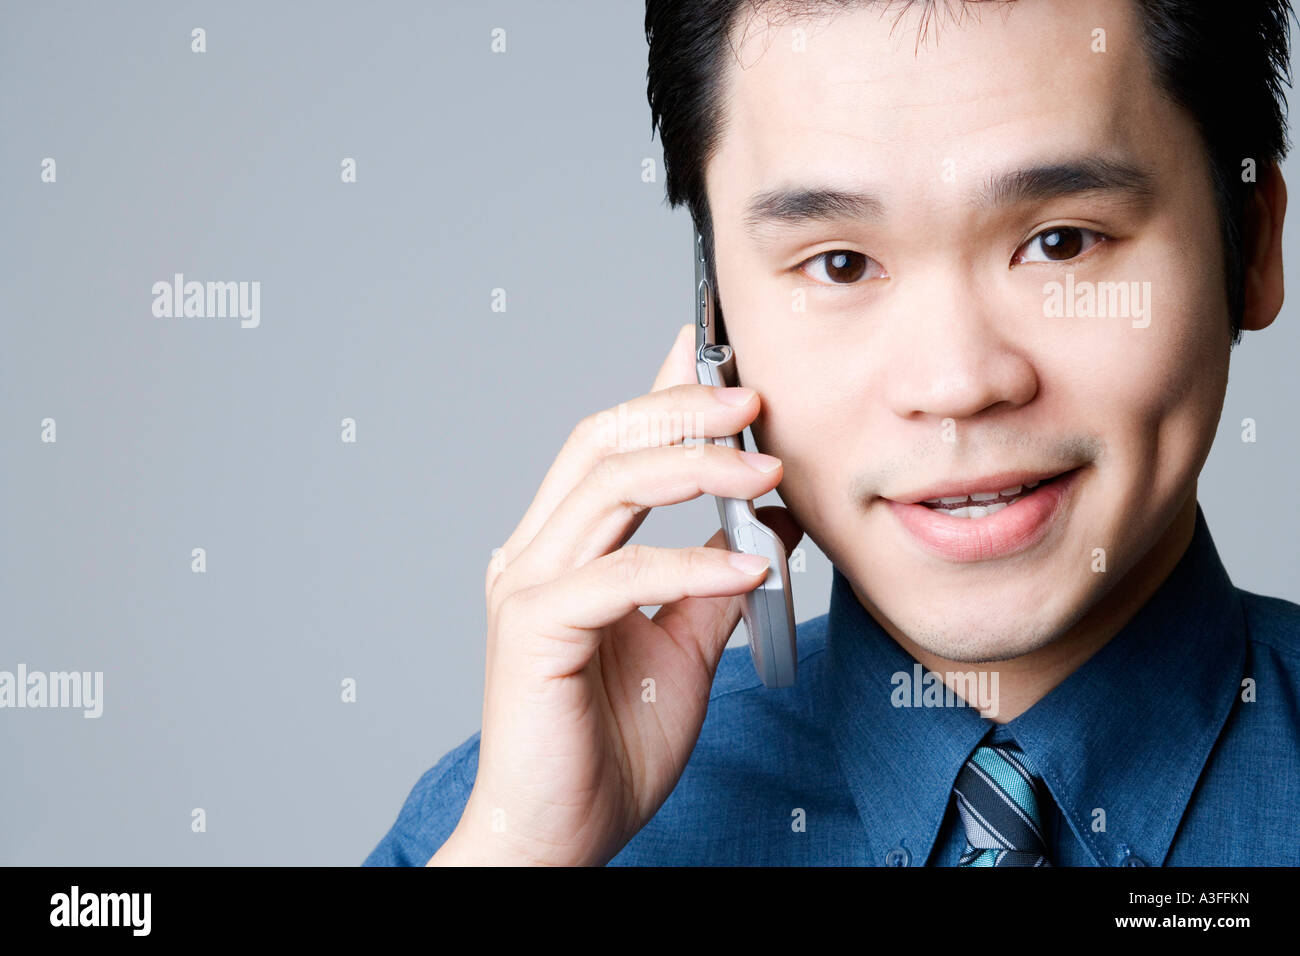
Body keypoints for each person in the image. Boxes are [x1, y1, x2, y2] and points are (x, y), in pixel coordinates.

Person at [365, 0, 1300, 866]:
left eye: (1061, 241)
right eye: (841, 264)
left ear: (1251, 244)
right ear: (716, 313)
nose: (955, 385)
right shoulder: (496, 825)